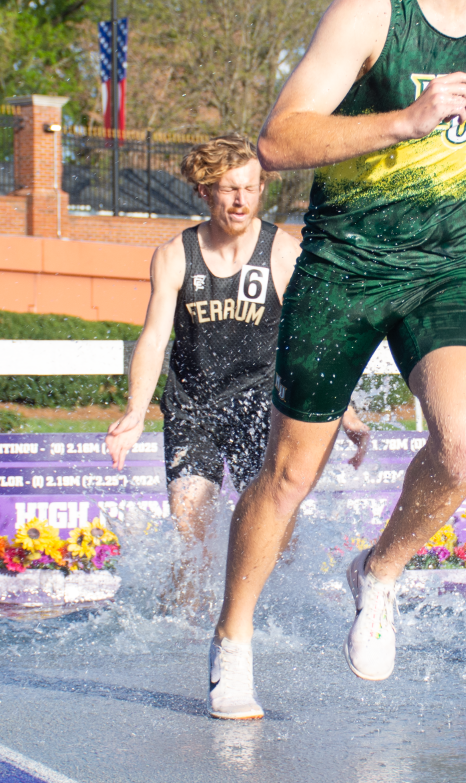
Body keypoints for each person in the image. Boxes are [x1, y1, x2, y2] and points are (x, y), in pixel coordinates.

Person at [206, 0, 466, 720]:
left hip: (444, 261)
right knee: (289, 472)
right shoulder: (371, 6)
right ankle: (233, 638)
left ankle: (380, 568)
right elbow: (280, 138)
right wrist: (403, 119)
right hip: (347, 261)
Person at [105, 135, 370, 610]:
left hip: (261, 408)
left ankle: (265, 624)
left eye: (251, 187)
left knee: (275, 543)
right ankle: (182, 638)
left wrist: (343, 411)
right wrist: (135, 411)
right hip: (193, 408)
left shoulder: (282, 253)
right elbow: (153, 337)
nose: (242, 200)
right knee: (193, 543)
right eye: (229, 189)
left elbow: (312, 342)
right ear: (205, 192)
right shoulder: (174, 255)